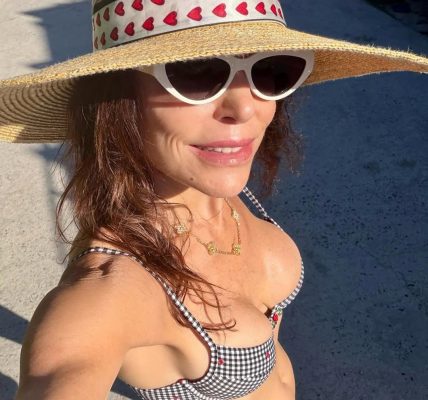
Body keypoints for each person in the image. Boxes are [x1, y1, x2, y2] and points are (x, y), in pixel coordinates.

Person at [0, 0, 426, 399]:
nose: (246, 108)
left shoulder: (213, 189)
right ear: (117, 98)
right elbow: (64, 367)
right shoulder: (113, 288)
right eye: (197, 71)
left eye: (269, 69)